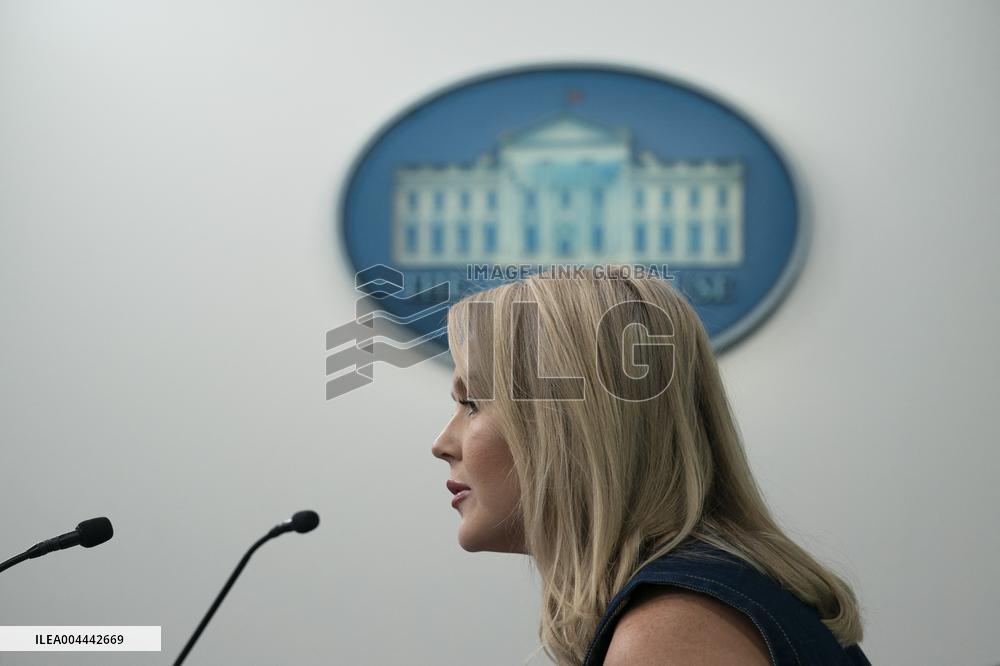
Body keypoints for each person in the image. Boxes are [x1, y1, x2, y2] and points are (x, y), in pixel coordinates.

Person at [431, 267, 871, 665]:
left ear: (575, 425)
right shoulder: (718, 597)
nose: (442, 445)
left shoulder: (674, 631)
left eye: (473, 403)